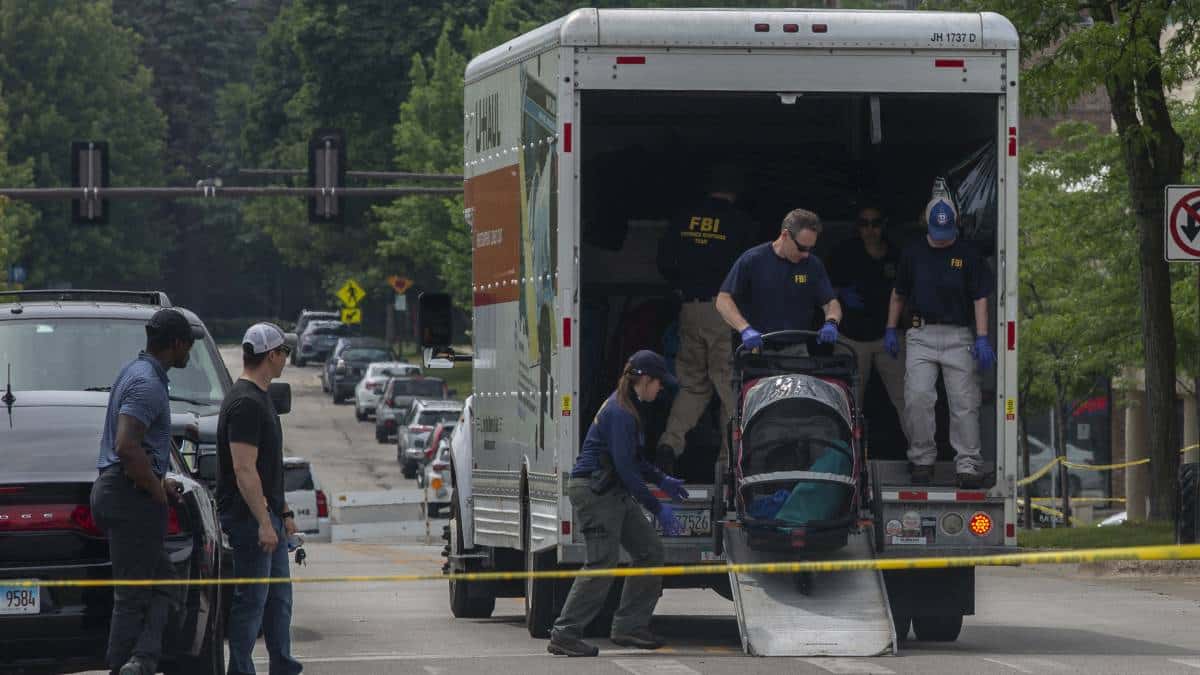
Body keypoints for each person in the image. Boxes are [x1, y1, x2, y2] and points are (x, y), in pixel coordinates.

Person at [547, 350, 690, 658]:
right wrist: (656, 506)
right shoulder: (620, 412)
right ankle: (565, 633)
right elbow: (626, 469)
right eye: (659, 383)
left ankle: (629, 627)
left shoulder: (629, 408)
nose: (661, 389)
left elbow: (634, 461)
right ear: (645, 380)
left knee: (649, 551)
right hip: (595, 492)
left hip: (613, 492)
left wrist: (663, 480)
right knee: (602, 563)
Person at [91, 308, 202, 675]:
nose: (189, 351)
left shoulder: (134, 372)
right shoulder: (147, 384)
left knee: (164, 584)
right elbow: (126, 446)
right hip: (129, 497)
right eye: (188, 344)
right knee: (132, 595)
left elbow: (139, 448)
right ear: (175, 344)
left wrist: (160, 477)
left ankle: (142, 660)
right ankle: (126, 665)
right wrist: (155, 489)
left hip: (124, 491)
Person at [884, 194, 995, 488]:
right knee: (918, 398)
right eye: (937, 233)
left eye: (948, 234)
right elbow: (899, 294)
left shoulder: (968, 254)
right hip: (921, 334)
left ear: (955, 226)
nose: (943, 239)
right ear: (928, 226)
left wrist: (982, 337)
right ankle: (922, 460)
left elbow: (979, 297)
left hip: (958, 335)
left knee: (964, 402)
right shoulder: (913, 253)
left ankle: (968, 465)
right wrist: (890, 329)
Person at [655, 165, 755, 474]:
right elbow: (750, 273)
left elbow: (664, 262)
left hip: (689, 308)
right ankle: (727, 465)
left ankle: (669, 444)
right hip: (723, 310)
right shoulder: (741, 223)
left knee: (693, 385)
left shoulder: (684, 217)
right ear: (735, 191)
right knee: (728, 386)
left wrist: (683, 287)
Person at [217, 323, 303, 675]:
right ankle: (240, 670)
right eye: (285, 352)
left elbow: (267, 469)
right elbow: (244, 470)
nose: (287, 359)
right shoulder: (245, 403)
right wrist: (264, 524)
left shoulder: (262, 397)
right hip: (249, 518)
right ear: (272, 356)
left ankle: (282, 665)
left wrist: (283, 512)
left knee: (278, 599)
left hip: (268, 514)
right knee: (251, 600)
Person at [716, 208, 843, 354]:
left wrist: (831, 322)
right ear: (785, 235)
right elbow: (723, 299)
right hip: (758, 348)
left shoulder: (813, 265)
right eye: (801, 248)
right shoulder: (753, 259)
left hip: (797, 350)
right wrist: (744, 328)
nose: (806, 254)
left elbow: (830, 301)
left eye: (810, 249)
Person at [828, 205, 909, 434]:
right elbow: (824, 290)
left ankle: (921, 458)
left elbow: (905, 295)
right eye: (864, 223)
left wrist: (907, 329)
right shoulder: (844, 252)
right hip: (851, 337)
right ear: (858, 227)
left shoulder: (896, 254)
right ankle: (845, 461)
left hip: (889, 337)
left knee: (907, 398)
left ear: (883, 225)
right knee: (847, 402)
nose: (870, 229)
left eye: (875, 223)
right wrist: (841, 296)